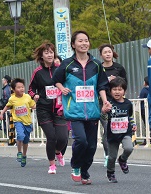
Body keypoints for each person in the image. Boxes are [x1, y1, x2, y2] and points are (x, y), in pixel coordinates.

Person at [52, 30, 112, 185]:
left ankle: (85, 171)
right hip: (74, 110)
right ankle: (76, 165)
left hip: (92, 111)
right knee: (82, 140)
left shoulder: (96, 65)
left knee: (92, 146)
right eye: (80, 41)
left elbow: (102, 85)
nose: (84, 43)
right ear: (73, 44)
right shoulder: (67, 64)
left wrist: (105, 101)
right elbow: (56, 79)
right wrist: (61, 88)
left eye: (86, 40)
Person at [28, 41, 68, 174]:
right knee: (51, 137)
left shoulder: (60, 68)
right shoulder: (37, 72)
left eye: (51, 52)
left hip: (59, 108)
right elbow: (31, 89)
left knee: (63, 138)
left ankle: (58, 152)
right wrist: (35, 96)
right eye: (46, 52)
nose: (49, 55)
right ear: (41, 56)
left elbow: (67, 82)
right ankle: (52, 165)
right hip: (43, 109)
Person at [98, 43, 128, 166]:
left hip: (118, 104)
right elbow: (97, 85)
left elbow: (125, 84)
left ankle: (116, 152)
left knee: (117, 129)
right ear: (101, 55)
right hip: (103, 103)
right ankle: (107, 155)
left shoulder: (119, 68)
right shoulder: (98, 68)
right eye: (105, 52)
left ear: (112, 53)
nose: (108, 54)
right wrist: (107, 81)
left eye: (109, 52)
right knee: (107, 128)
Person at [104, 77, 136, 183]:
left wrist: (133, 124)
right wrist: (103, 111)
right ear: (110, 91)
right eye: (114, 89)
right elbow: (104, 117)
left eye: (120, 89)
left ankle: (122, 160)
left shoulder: (128, 103)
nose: (117, 92)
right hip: (112, 134)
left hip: (125, 132)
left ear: (124, 91)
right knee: (111, 157)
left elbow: (129, 116)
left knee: (129, 148)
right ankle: (110, 172)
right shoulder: (108, 103)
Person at [0, 78, 36, 167]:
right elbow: (7, 106)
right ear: (13, 89)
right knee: (20, 135)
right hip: (18, 121)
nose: (21, 89)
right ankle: (19, 152)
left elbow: (33, 106)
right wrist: (2, 113)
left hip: (28, 122)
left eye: (22, 87)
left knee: (26, 141)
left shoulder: (27, 97)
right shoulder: (12, 99)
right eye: (19, 87)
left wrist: (37, 100)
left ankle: (24, 155)